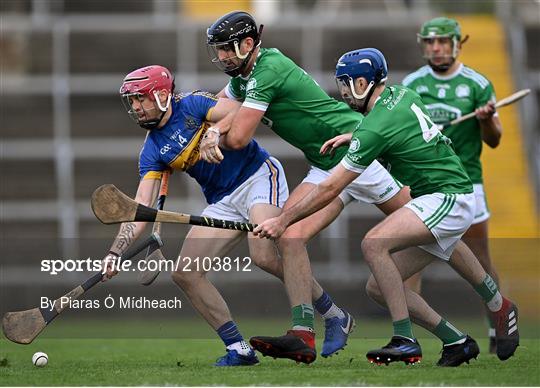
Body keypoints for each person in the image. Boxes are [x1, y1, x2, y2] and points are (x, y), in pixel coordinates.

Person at [252, 48, 520, 365]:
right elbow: (388, 126)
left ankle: (405, 338)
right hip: (436, 198)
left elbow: (331, 186)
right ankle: (458, 338)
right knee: (378, 287)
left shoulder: (375, 127)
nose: (343, 93)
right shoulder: (400, 93)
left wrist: (283, 220)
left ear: (364, 83)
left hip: (449, 196)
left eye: (347, 84)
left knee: (374, 244)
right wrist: (356, 135)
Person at [101, 64, 349, 366]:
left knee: (263, 255)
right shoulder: (152, 150)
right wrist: (115, 252)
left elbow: (241, 111)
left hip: (258, 176)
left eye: (141, 99)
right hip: (223, 200)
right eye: (133, 101)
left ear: (162, 95)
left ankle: (332, 314)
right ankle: (238, 348)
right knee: (185, 273)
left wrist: (213, 133)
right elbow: (141, 207)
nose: (136, 107)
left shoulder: (192, 105)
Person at [201, 11, 412, 363]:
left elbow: (237, 136)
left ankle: (493, 303)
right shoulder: (244, 77)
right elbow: (216, 106)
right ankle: (306, 330)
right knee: (287, 235)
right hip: (325, 164)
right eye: (218, 49)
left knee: (431, 224)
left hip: (358, 152)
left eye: (226, 49)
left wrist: (216, 130)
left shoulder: (268, 69)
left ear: (248, 43)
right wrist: (195, 116)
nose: (221, 56)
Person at [402, 17, 503, 352]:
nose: (436, 48)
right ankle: (409, 337)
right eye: (430, 42)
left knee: (480, 261)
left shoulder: (477, 84)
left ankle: (498, 325)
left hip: (468, 184)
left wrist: (486, 119)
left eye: (443, 42)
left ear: (460, 42)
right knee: (409, 264)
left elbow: (495, 140)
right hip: (424, 184)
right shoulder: (413, 83)